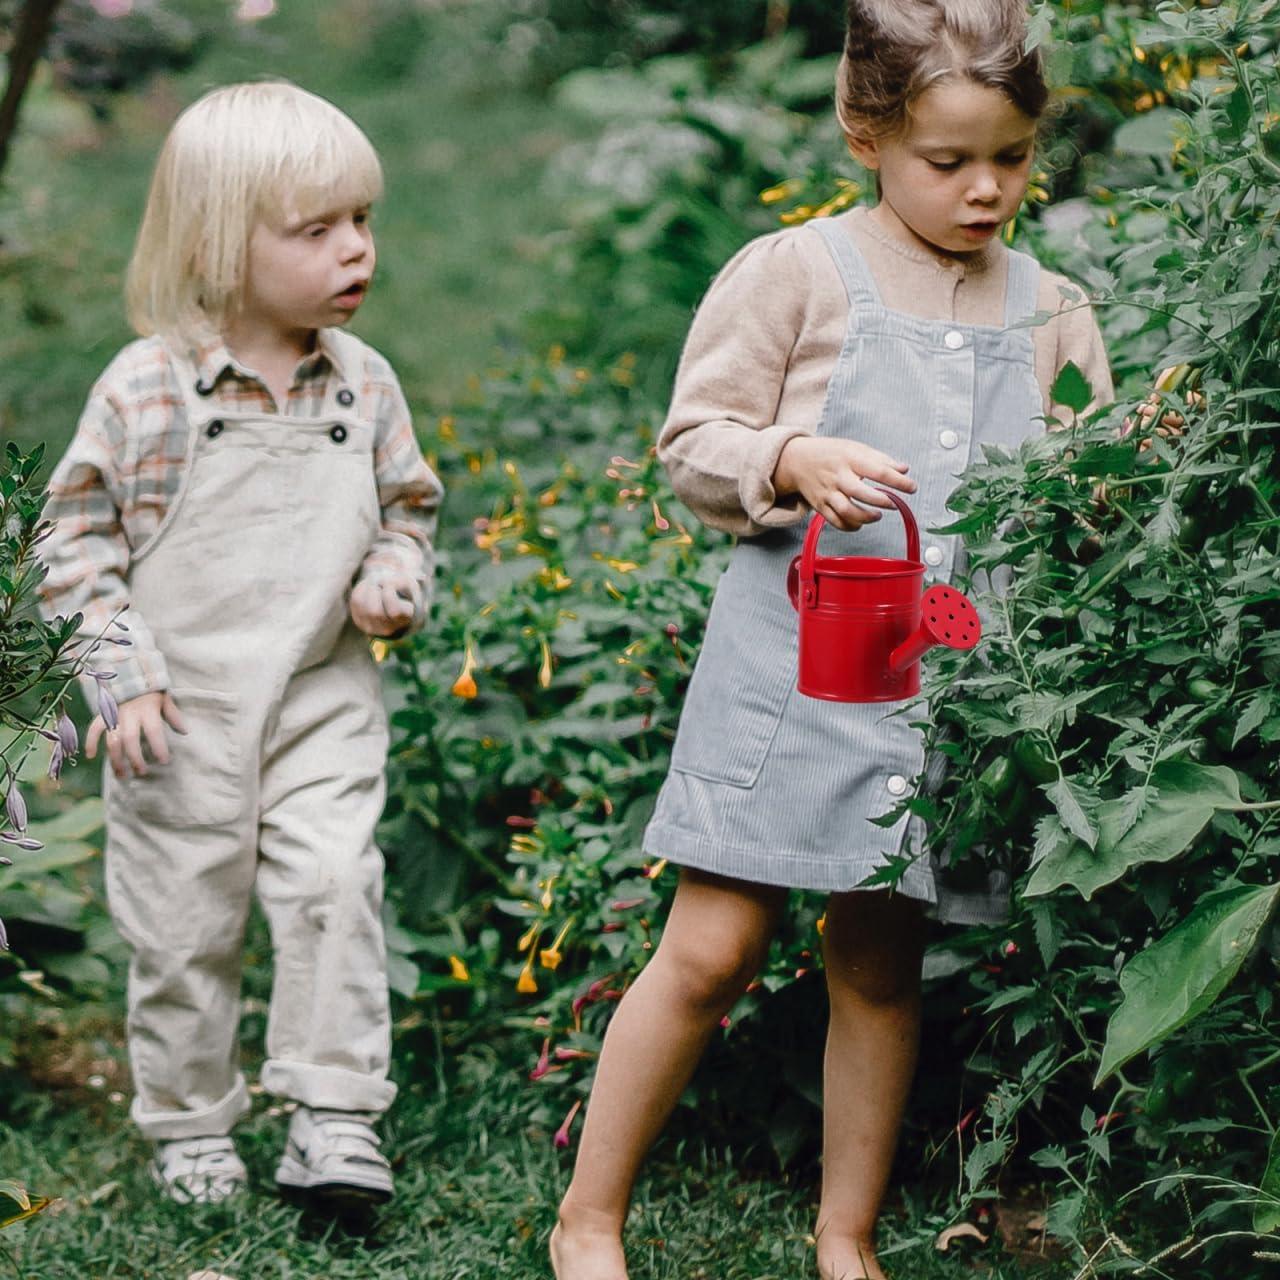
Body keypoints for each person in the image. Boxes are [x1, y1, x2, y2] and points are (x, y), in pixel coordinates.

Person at [550, 2, 1113, 1277]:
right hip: (791, 668)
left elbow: (1085, 470)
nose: (983, 190)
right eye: (946, 160)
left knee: (876, 955)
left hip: (949, 683)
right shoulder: (798, 271)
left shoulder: (1052, 304)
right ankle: (586, 1217)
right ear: (867, 135)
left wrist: (1114, 481)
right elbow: (692, 444)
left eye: (1011, 158)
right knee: (712, 944)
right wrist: (788, 455)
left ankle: (842, 1235)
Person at [38, 81, 443, 1210]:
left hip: (320, 688)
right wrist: (117, 671)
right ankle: (189, 1115)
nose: (354, 249)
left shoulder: (363, 387)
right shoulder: (150, 391)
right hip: (180, 712)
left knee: (332, 883)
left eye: (361, 221)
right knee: (183, 924)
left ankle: (332, 1112)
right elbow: (72, 537)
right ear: (221, 244)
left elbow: (409, 507)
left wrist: (388, 577)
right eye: (316, 231)